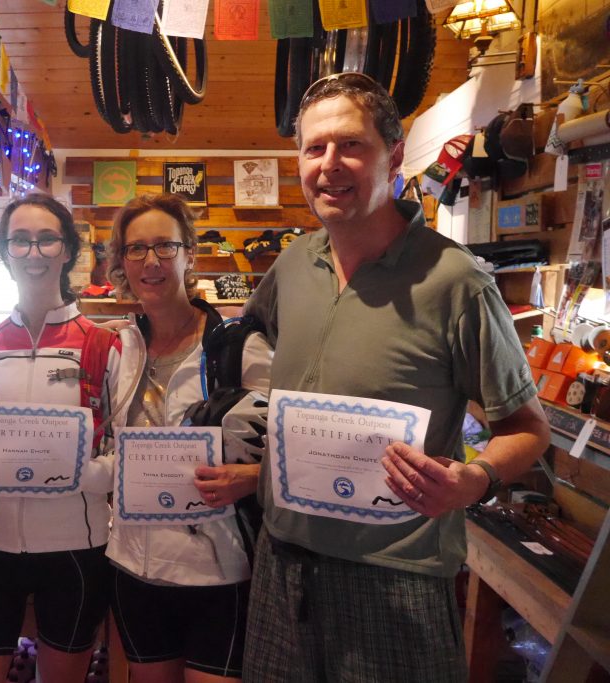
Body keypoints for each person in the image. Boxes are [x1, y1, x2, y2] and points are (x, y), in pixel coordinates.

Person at [242, 73, 551, 681]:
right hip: (281, 567)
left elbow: (527, 428)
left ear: (394, 155)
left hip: (396, 579)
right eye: (314, 148)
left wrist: (473, 480)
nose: (330, 164)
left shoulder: (456, 281)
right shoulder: (291, 266)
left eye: (351, 145)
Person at [0, 193, 121, 683]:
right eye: (20, 241)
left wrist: (69, 473)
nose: (34, 253)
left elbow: (124, 455)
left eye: (46, 240)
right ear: (3, 251)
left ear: (67, 250)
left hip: (76, 548)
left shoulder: (105, 345)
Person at [105, 193, 272, 683]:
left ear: (189, 255)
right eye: (136, 249)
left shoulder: (239, 347)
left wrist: (253, 477)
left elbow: (292, 446)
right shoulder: (116, 346)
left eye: (164, 246)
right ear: (121, 262)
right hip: (134, 566)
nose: (150, 261)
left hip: (221, 572)